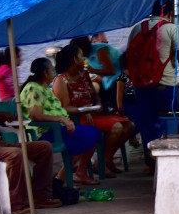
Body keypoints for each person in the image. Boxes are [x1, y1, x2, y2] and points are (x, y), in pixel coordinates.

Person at [53, 44, 135, 178]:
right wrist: (84, 111)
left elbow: (93, 93)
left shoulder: (84, 73)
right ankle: (91, 166)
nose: (84, 59)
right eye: (81, 56)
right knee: (116, 127)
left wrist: (97, 104)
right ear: (74, 59)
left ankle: (105, 159)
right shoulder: (61, 80)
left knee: (129, 126)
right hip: (75, 118)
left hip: (92, 113)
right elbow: (64, 107)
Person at [19, 57, 101, 185]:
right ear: (45, 73)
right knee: (90, 136)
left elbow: (54, 108)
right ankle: (63, 177)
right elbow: (35, 115)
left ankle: (69, 175)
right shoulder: (33, 88)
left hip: (58, 128)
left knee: (94, 133)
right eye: (52, 70)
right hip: (46, 132)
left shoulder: (44, 87)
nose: (54, 72)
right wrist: (61, 119)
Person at [126, 0, 178, 171]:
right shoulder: (171, 28)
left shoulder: (137, 28)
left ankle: (151, 163)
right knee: (170, 121)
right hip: (166, 83)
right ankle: (169, 161)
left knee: (148, 123)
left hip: (141, 84)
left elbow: (129, 56)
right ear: (170, 13)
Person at [0, 112, 60, 214]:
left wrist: (4, 119)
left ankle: (40, 196)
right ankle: (16, 205)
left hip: (1, 144)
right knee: (15, 154)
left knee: (44, 147)